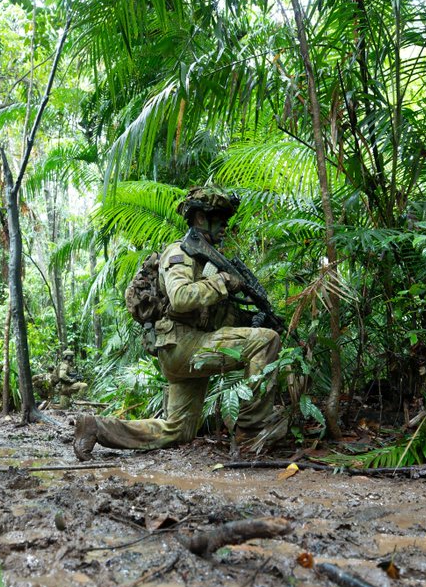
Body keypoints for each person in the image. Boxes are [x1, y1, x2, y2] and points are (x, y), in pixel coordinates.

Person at [73, 186, 282, 460]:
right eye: (218, 218)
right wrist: (223, 282)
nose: (225, 227)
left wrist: (250, 318)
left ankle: (96, 427)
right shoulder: (180, 253)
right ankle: (252, 433)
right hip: (183, 346)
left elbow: (213, 316)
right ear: (199, 219)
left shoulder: (207, 261)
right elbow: (181, 298)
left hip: (190, 347)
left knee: (177, 430)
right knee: (266, 342)